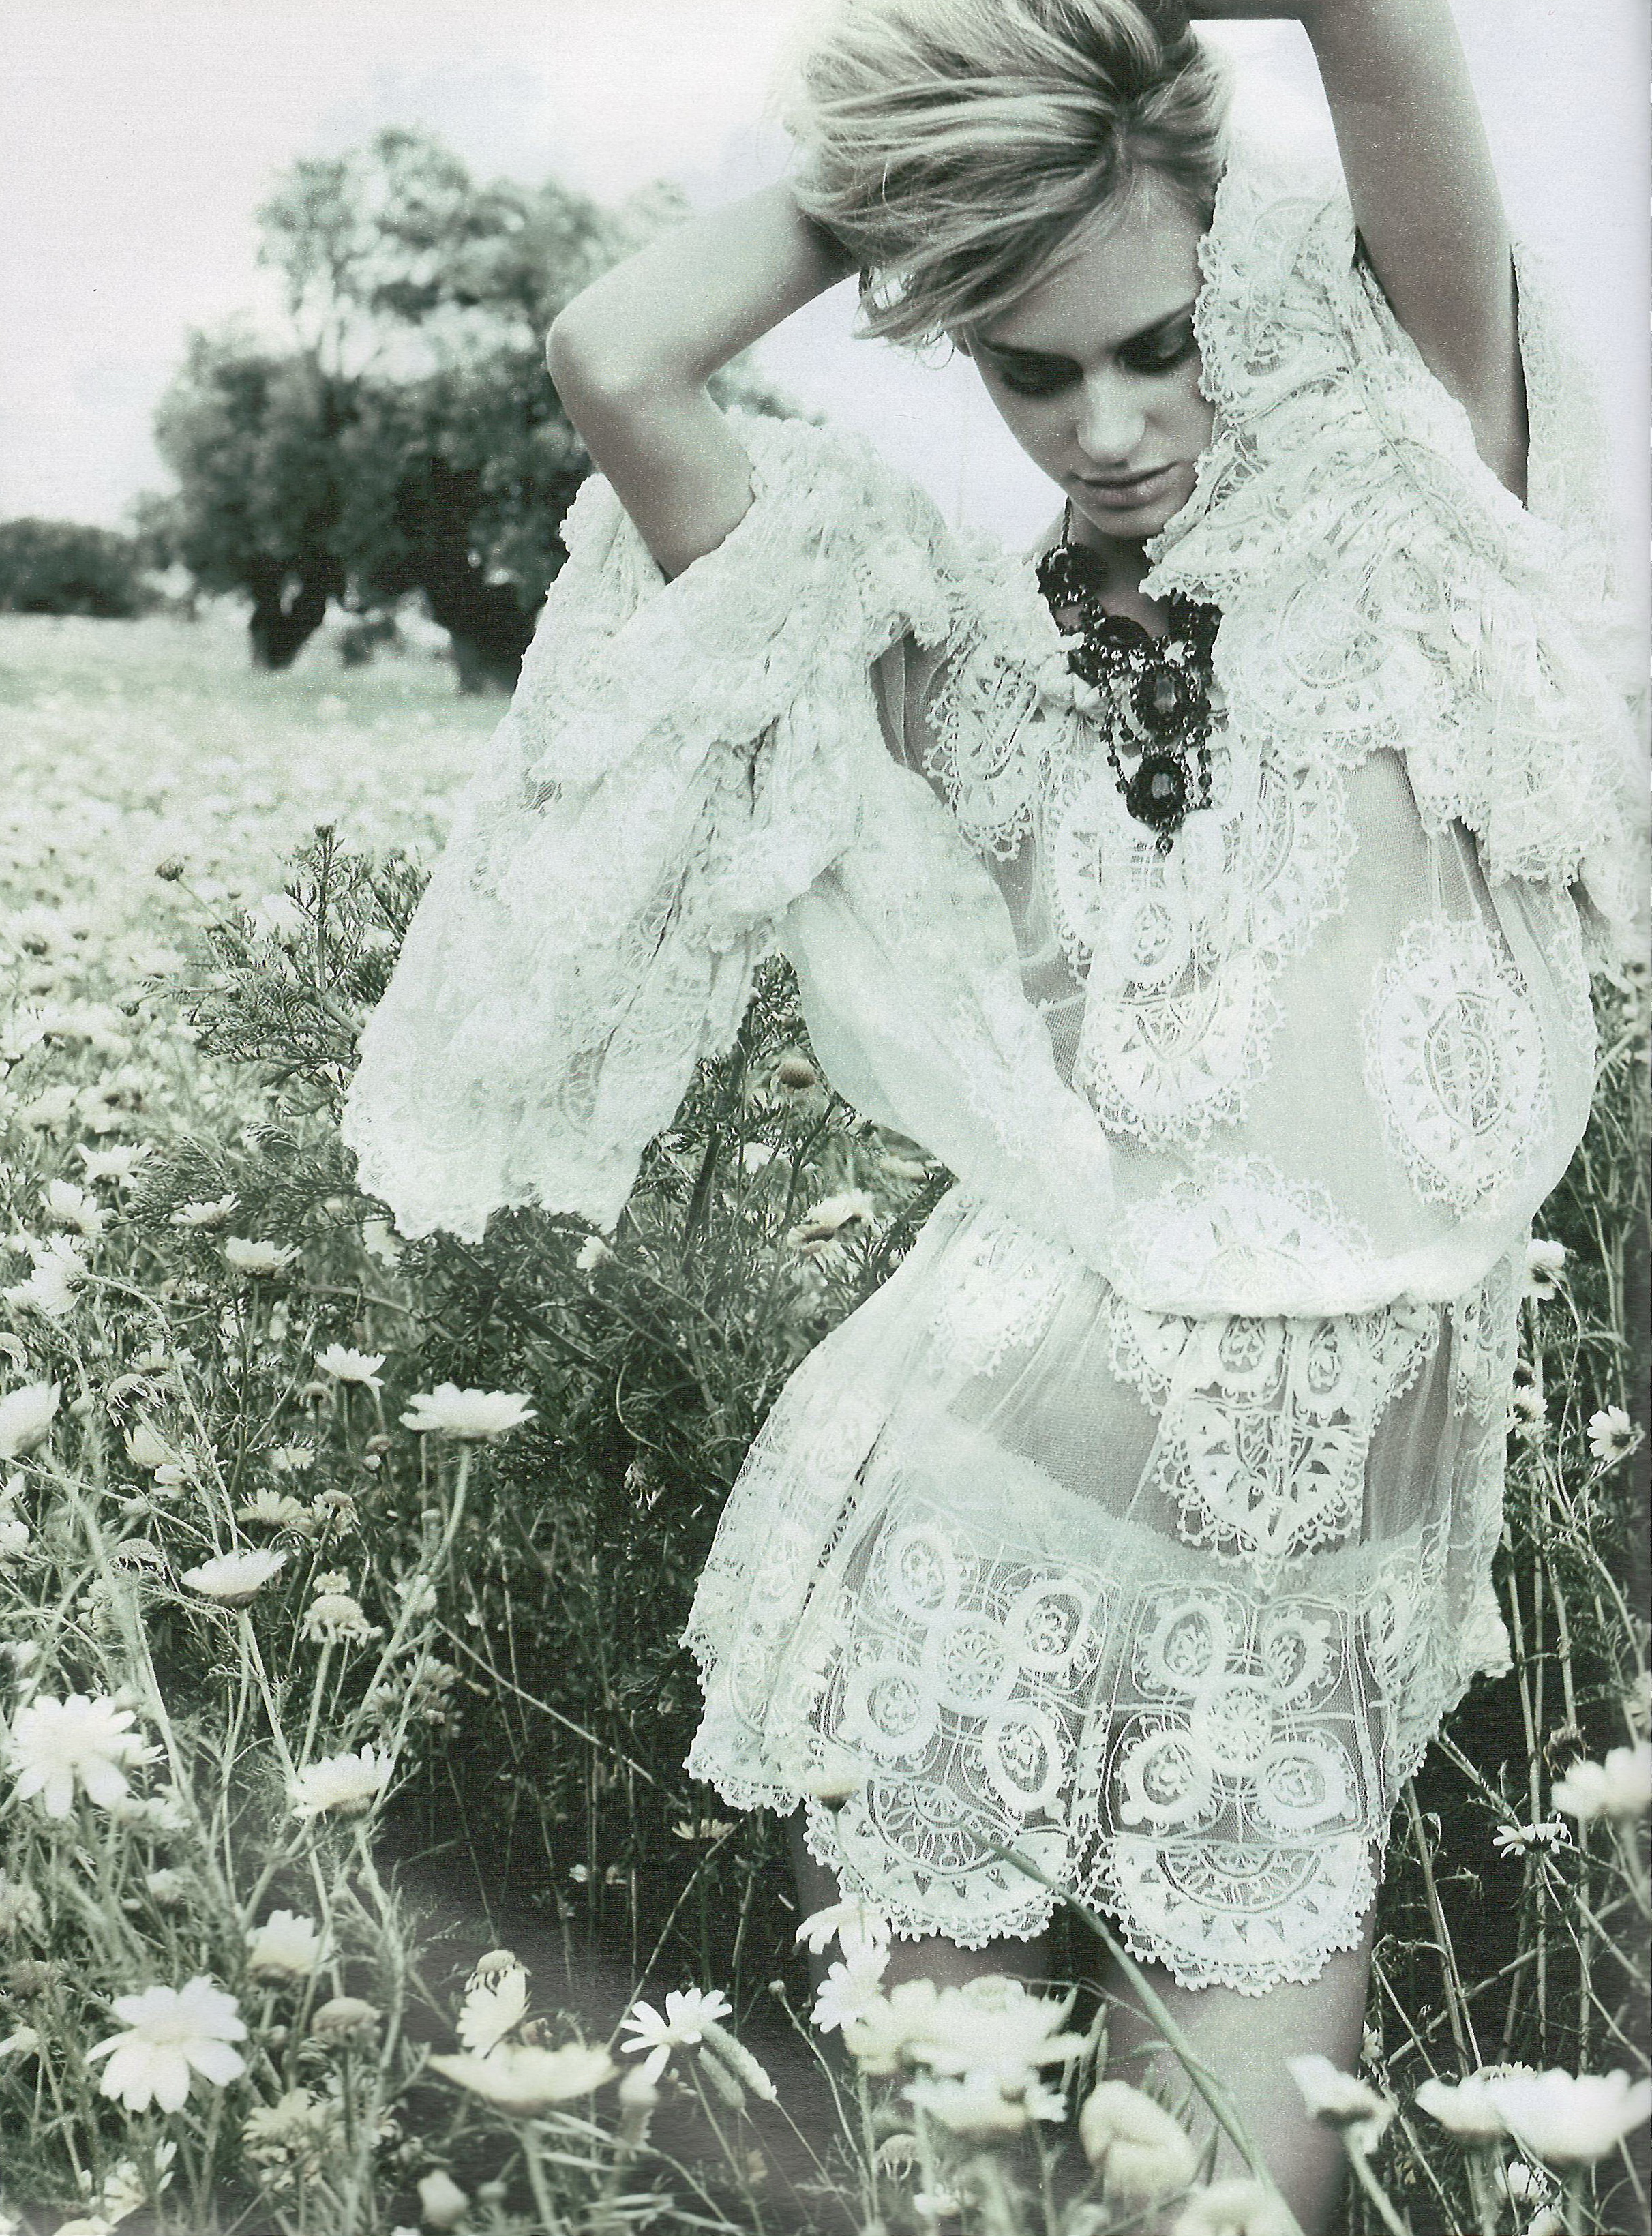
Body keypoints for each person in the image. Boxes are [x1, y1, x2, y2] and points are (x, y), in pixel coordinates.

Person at [340, 2, 1644, 2226]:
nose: (1109, 430)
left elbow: (1380, 26)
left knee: (1221, 2212)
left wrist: (1090, 89)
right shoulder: (947, 650)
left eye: (1157, 347)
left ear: (1238, 286)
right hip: (971, 1538)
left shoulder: (1422, 511)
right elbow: (619, 357)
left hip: (1306, 1626)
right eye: (1033, 373)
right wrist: (944, 165)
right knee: (944, 2205)